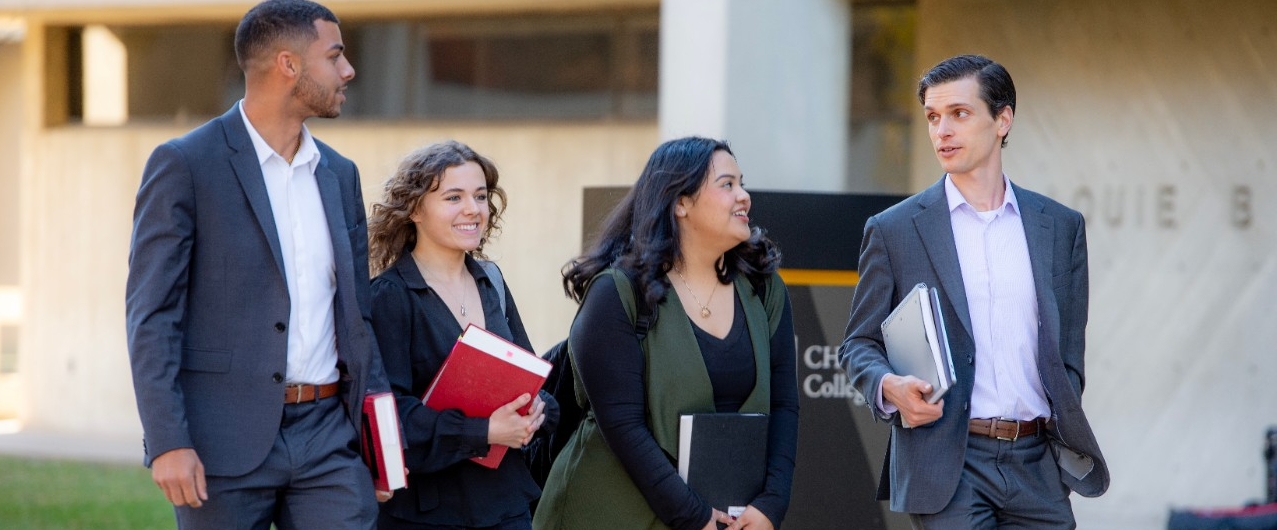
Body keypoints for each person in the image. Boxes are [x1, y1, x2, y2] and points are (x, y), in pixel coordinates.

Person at [125, 1, 391, 528]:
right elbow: (151, 316)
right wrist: (168, 440)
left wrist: (379, 439)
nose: (348, 71)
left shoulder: (339, 174)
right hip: (221, 444)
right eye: (334, 55)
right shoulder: (186, 165)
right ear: (288, 65)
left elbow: (357, 318)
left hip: (328, 439)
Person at [838, 54, 1110, 529]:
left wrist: (1054, 435)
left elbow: (1069, 354)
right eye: (932, 117)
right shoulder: (895, 230)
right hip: (949, 465)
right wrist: (888, 386)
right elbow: (858, 344)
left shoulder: (1060, 227)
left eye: (959, 114)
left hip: (1038, 467)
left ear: (1003, 119)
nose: (942, 129)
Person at [533, 137, 800, 530]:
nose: (743, 196)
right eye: (727, 185)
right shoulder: (618, 292)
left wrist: (771, 503)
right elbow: (623, 428)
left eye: (742, 183)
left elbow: (784, 406)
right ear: (681, 202)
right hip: (607, 515)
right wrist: (694, 516)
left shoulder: (763, 287)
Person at [367, 141, 557, 530]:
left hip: (505, 504)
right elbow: (392, 415)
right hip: (427, 512)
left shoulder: (493, 283)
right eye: (454, 197)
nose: (473, 209)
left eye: (481, 196)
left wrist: (537, 409)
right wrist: (484, 431)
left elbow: (534, 377)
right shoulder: (390, 296)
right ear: (415, 209)